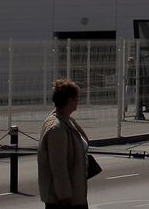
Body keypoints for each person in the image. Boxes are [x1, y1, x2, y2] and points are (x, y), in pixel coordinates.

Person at [39, 78, 90, 209]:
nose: (78, 100)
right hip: (64, 200)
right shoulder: (57, 128)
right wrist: (64, 196)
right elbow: (58, 166)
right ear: (69, 100)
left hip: (74, 195)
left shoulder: (66, 120)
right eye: (76, 97)